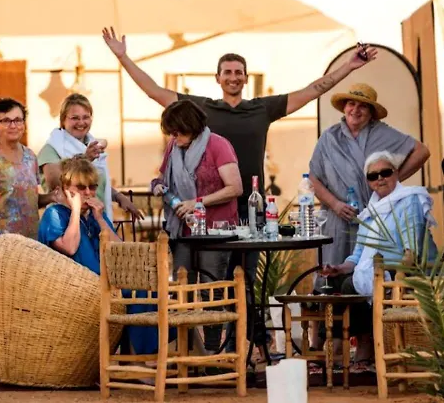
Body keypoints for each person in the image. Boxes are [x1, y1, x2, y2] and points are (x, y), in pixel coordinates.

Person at [102, 27, 378, 350]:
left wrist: (349, 66)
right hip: (209, 216)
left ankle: (248, 350)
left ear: (245, 78)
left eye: (238, 72)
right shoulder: (200, 110)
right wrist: (123, 57)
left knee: (245, 281)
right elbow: (153, 91)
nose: (233, 77)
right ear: (217, 78)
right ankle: (219, 350)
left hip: (251, 211)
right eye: (227, 72)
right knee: (215, 284)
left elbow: (313, 89)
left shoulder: (261, 109)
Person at [321, 150, 437, 369]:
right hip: (376, 269)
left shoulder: (409, 200)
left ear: (396, 173)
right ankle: (338, 348)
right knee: (331, 283)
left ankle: (361, 348)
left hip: (407, 269)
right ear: (368, 182)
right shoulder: (371, 211)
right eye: (373, 176)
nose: (380, 179)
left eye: (385, 172)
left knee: (351, 285)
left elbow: (411, 250)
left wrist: (395, 272)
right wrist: (339, 268)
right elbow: (357, 255)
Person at [38, 157, 162, 355]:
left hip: (105, 282)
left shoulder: (95, 214)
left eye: (92, 187)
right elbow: (69, 247)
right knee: (138, 293)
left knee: (147, 287)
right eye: (81, 187)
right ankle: (142, 358)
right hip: (76, 288)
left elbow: (122, 252)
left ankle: (142, 355)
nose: (88, 193)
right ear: (65, 189)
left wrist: (100, 220)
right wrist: (75, 210)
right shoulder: (54, 214)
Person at [150, 99, 242, 355]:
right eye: (171, 132)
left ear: (189, 125)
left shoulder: (218, 145)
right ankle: (188, 352)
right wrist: (157, 185)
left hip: (215, 231)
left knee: (211, 292)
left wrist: (197, 202)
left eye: (177, 131)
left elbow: (235, 188)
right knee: (183, 292)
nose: (173, 137)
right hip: (183, 231)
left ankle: (212, 353)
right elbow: (162, 176)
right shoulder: (173, 147)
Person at [309, 83, 430, 274]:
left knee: (372, 272)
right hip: (337, 217)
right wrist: (335, 204)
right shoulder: (329, 138)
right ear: (344, 107)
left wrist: (390, 181)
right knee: (332, 274)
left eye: (363, 106)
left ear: (371, 112)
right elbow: (312, 179)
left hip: (374, 214)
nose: (355, 110)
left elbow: (422, 151)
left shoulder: (384, 133)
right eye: (351, 104)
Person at [38, 93, 142, 222]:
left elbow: (95, 184)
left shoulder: (92, 145)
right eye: (75, 118)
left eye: (86, 117)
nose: (81, 122)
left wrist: (119, 197)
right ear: (63, 120)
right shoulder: (51, 149)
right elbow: (56, 184)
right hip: (65, 221)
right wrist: (85, 159)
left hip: (96, 220)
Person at [0, 98, 57, 239]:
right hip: (0, 243)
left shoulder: (30, 156)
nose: (13, 125)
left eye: (18, 120)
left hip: (30, 241)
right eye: (6, 121)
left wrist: (52, 196)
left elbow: (29, 199)